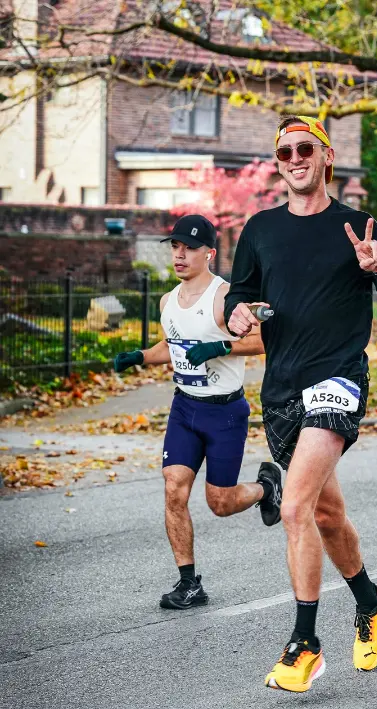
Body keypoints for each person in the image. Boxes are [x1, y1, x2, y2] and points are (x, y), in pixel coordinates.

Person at [224, 116, 377, 692]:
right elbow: (240, 296)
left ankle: (305, 643)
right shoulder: (260, 229)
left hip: (337, 380)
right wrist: (235, 312)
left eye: (304, 148)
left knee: (294, 509)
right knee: (327, 515)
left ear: (326, 156)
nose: (293, 158)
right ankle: (371, 600)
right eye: (283, 151)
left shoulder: (358, 226)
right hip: (282, 388)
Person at [115, 214, 282, 610]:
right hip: (184, 408)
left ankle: (265, 488)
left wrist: (220, 347)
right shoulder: (167, 301)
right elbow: (171, 345)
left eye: (188, 248)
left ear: (209, 253)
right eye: (174, 247)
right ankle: (189, 583)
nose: (180, 255)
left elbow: (261, 340)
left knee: (220, 504)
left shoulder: (226, 297)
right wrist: (140, 356)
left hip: (225, 413)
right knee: (174, 490)